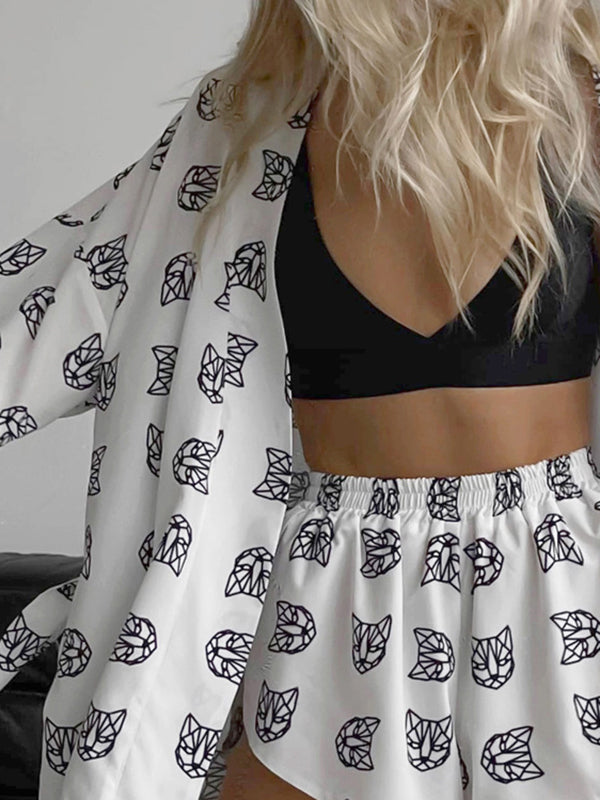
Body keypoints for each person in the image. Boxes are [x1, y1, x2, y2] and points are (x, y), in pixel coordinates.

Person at [2, 2, 600, 799]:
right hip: (329, 588)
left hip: (560, 576)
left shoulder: (581, 95)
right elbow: (44, 315)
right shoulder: (240, 123)